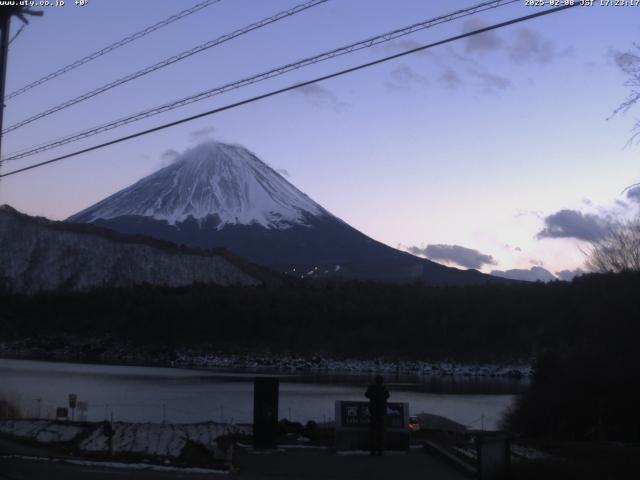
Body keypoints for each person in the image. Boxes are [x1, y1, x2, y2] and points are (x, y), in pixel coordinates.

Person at [365, 375, 389, 456]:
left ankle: (373, 450)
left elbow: (367, 395)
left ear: (375, 381)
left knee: (373, 431)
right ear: (382, 381)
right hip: (382, 412)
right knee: (381, 431)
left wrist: (370, 387)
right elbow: (387, 395)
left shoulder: (371, 388)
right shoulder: (384, 388)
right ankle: (380, 450)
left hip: (373, 412)